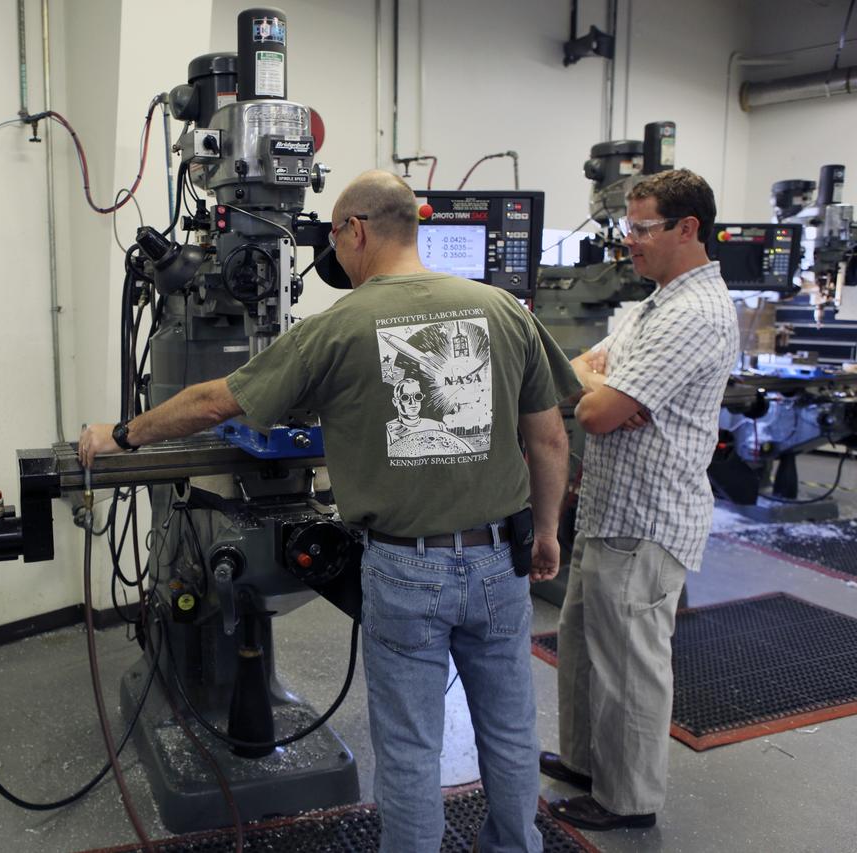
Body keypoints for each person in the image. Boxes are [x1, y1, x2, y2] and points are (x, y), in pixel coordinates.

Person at [80, 170, 581, 852]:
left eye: (336, 238)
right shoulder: (502, 310)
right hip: (500, 560)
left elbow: (213, 403)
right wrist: (547, 531)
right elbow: (549, 438)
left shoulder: (342, 324)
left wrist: (122, 434)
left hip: (408, 569)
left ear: (355, 231)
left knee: (408, 749)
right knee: (512, 729)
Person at [543, 169, 739, 831]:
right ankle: (585, 760)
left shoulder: (694, 312)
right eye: (628, 226)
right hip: (609, 507)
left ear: (688, 229)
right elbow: (573, 373)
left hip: (647, 516)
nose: (630, 241)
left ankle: (627, 798)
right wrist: (601, 388)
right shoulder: (654, 303)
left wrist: (605, 393)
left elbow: (595, 412)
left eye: (642, 228)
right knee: (581, 640)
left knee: (629, 663)